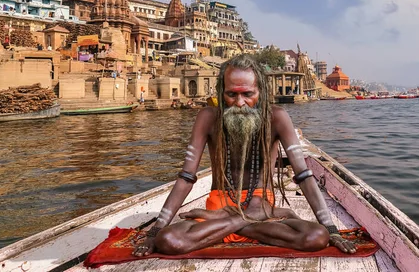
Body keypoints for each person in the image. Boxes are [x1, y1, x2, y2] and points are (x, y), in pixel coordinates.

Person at [133, 54, 355, 257]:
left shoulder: (277, 117)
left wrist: (331, 229)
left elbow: (304, 175)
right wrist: (155, 231)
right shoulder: (208, 117)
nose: (239, 103)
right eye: (231, 94)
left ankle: (235, 220)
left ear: (261, 91)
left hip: (259, 205)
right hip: (221, 206)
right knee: (168, 240)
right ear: (221, 92)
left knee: (317, 237)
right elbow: (186, 177)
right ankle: (244, 219)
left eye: (248, 94)